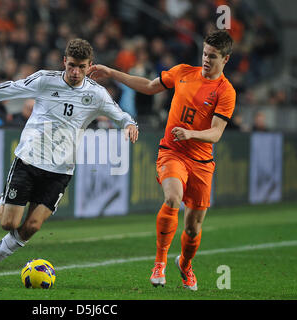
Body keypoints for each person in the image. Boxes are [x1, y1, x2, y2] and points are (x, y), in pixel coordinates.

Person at [0, 38, 139, 284]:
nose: (75, 72)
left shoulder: (96, 94)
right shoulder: (45, 80)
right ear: (64, 61)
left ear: (90, 66)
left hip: (61, 171)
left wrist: (129, 125)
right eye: (71, 65)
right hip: (29, 160)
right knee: (8, 223)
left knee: (31, 227)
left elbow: (121, 115)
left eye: (81, 67)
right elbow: (5, 89)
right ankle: (1, 203)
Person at [89, 30, 236, 291]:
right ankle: (159, 264)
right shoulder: (182, 72)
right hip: (172, 152)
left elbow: (216, 133)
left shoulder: (226, 92)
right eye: (204, 53)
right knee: (172, 198)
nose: (206, 60)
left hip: (201, 162)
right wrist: (112, 73)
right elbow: (148, 86)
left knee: (192, 228)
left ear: (225, 59)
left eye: (212, 57)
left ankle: (185, 264)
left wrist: (191, 133)